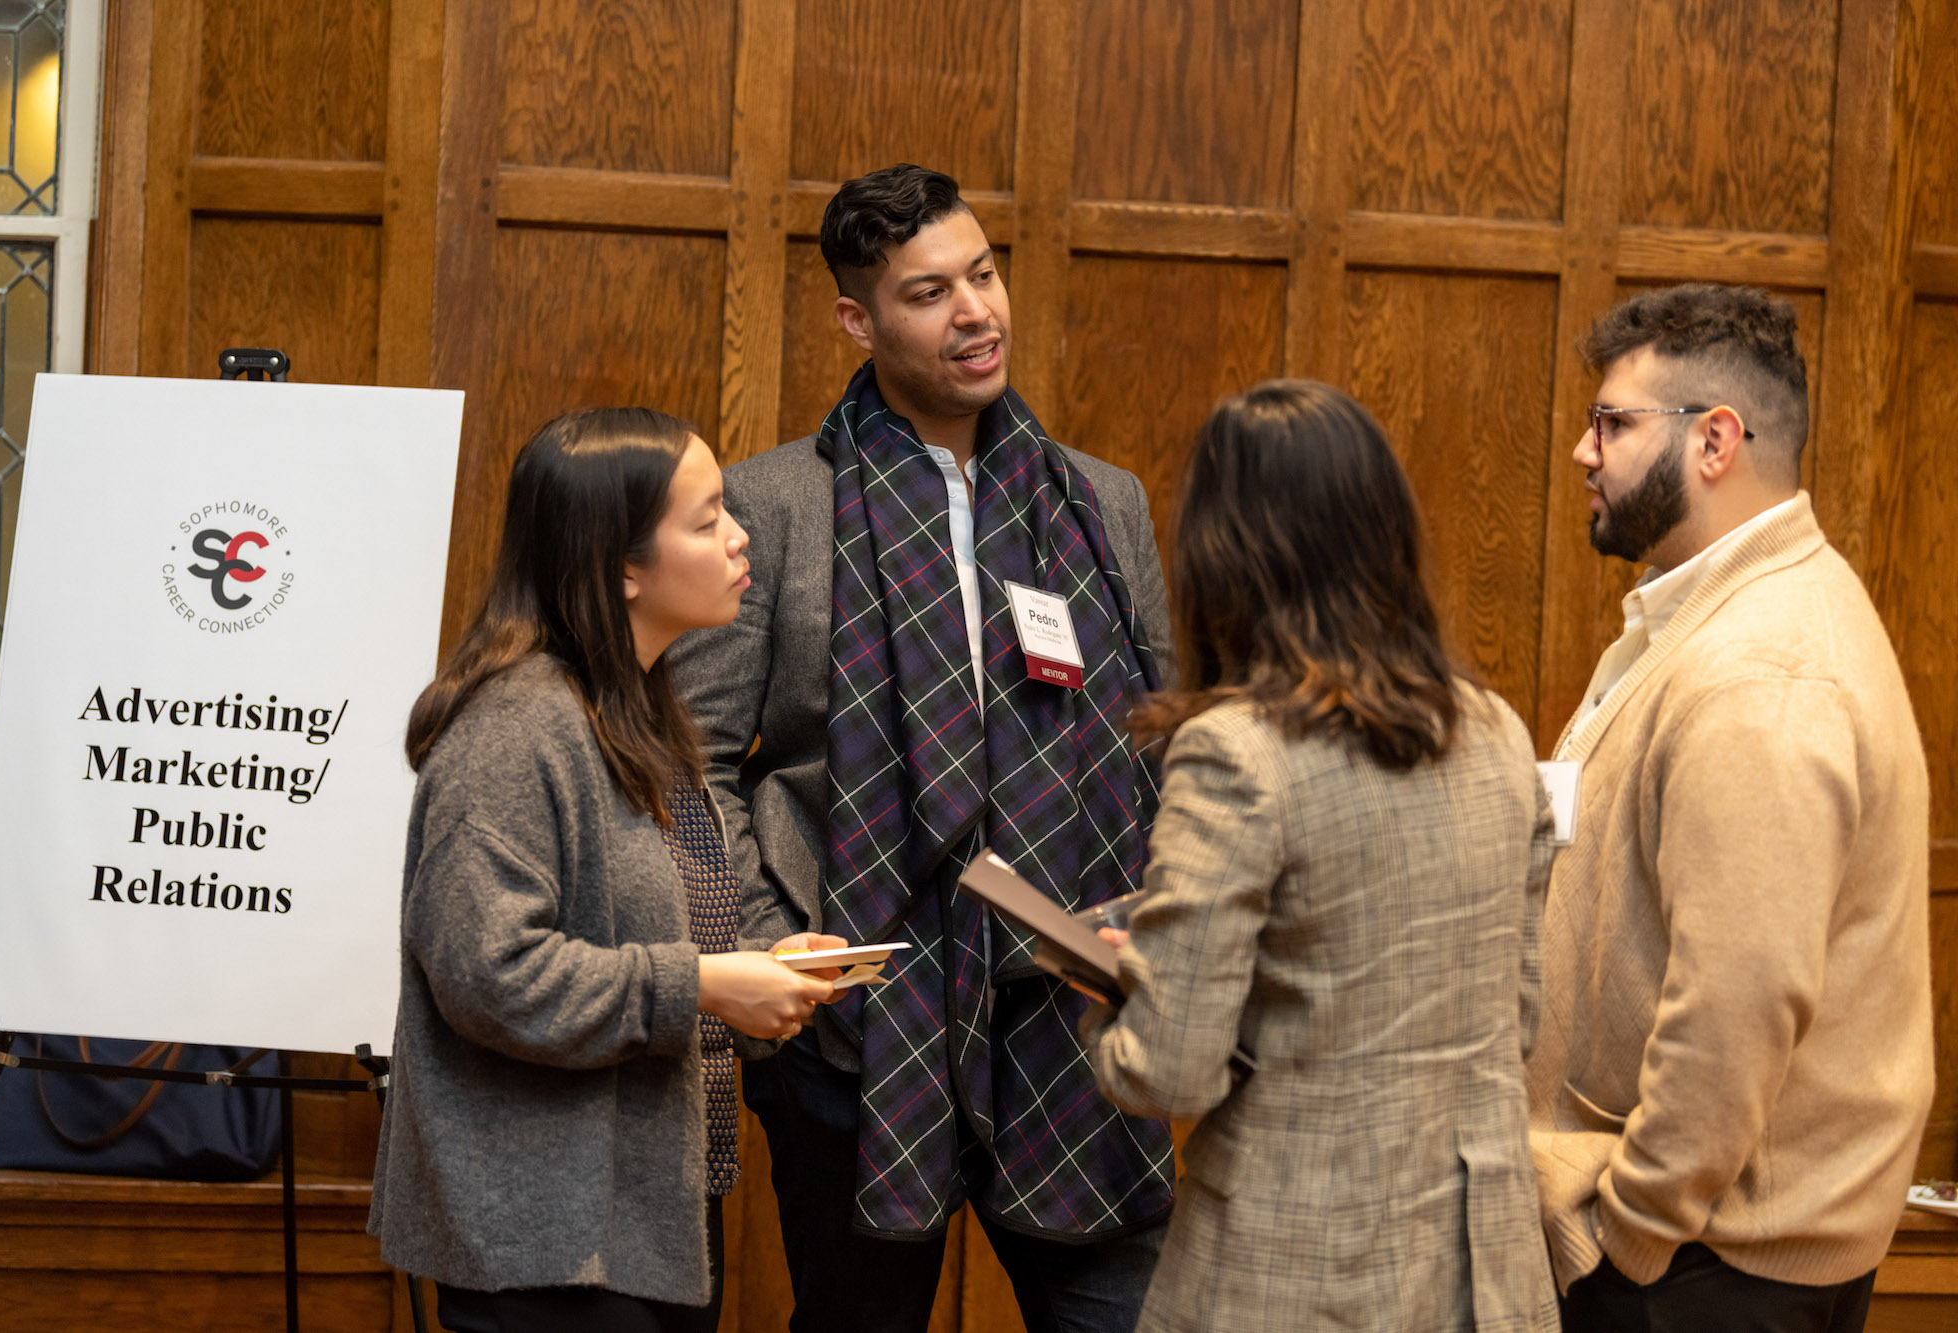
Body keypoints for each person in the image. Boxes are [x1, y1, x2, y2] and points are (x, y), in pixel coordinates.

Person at [667, 164, 1175, 1332]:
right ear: (858, 317)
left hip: (1071, 1021)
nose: (974, 314)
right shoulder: (773, 503)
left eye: (983, 277)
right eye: (928, 292)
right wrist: (761, 949)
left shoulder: (1102, 503)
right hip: (857, 1026)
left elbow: (1160, 739)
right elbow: (694, 762)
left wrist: (1152, 925)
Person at [1081, 379, 1561, 1332]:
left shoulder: (1236, 750)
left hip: (1292, 1265)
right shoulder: (1498, 732)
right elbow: (1514, 1017)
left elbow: (1169, 1070)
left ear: (1221, 552)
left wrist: (1110, 993)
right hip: (1480, 1268)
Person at [368, 407, 844, 1333]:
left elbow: (657, 916)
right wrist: (705, 984)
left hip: (639, 1218)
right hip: (545, 1239)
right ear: (621, 563)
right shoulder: (517, 724)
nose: (743, 537)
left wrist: (762, 964)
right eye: (707, 522)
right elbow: (488, 974)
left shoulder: (634, 709)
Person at [1527, 284, 1933, 1333]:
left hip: (1702, 1273)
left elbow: (1734, 1008)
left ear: (1711, 441)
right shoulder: (1716, 613)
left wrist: (1625, 1235)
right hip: (1697, 1256)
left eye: (1610, 423)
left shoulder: (1762, 670)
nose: (1582, 450)